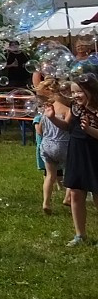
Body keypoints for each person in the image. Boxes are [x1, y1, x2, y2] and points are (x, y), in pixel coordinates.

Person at [43, 74, 98, 246]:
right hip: (76, 151)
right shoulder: (74, 107)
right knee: (75, 193)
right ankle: (80, 235)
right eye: (73, 92)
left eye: (79, 92)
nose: (75, 96)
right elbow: (68, 127)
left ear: (91, 91)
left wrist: (89, 130)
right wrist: (52, 118)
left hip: (94, 153)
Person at [34, 78, 71, 215]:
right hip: (64, 145)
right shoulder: (68, 110)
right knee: (70, 172)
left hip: (47, 145)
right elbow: (68, 126)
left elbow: (40, 131)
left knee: (50, 176)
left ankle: (46, 203)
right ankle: (67, 197)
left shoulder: (48, 108)